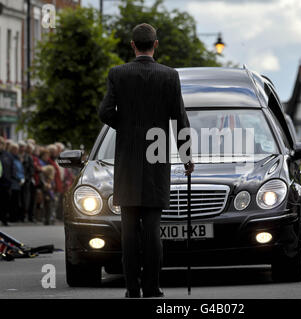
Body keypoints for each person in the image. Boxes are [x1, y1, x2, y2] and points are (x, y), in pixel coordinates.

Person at [98, 23, 194, 298]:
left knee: (128, 230)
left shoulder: (117, 74)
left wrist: (126, 126)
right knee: (153, 228)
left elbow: (105, 112)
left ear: (132, 45)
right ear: (156, 44)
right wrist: (186, 157)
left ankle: (131, 289)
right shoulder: (169, 76)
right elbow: (179, 118)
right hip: (157, 157)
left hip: (127, 160)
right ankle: (152, 286)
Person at [9, 143, 25, 222]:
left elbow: (21, 169)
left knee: (17, 201)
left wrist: (22, 178)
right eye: (14, 149)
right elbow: (13, 170)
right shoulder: (11, 158)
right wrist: (18, 178)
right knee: (13, 201)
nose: (16, 151)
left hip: (19, 182)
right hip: (14, 182)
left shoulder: (18, 158)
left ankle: (15, 217)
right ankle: (12, 217)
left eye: (16, 149)